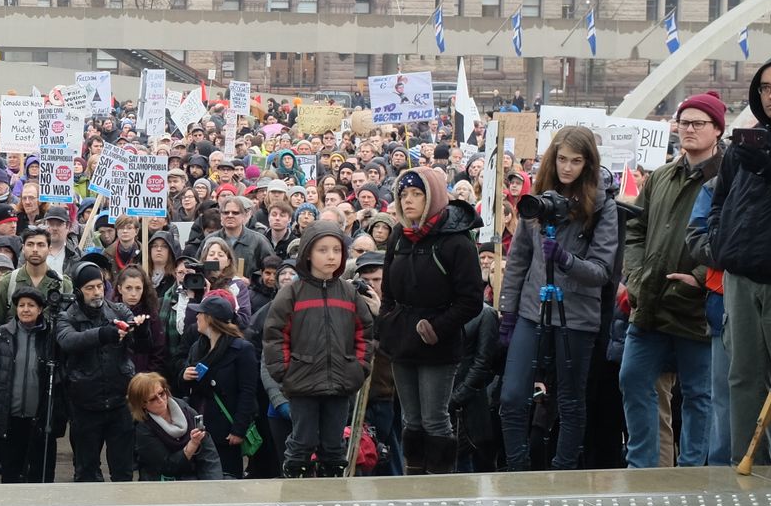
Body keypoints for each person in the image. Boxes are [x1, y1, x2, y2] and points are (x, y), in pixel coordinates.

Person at [698, 54, 771, 466]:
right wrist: (719, 241)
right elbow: (719, 200)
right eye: (765, 87)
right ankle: (744, 472)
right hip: (740, 280)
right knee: (741, 379)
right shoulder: (749, 140)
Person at [497, 126, 618, 471]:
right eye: (562, 159)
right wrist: (508, 311)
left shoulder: (602, 206)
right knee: (512, 395)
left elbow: (601, 271)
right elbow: (519, 257)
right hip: (531, 310)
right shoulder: (538, 198)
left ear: (588, 163)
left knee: (570, 399)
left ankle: (563, 472)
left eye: (576, 161)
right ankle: (517, 470)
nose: (567, 168)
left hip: (576, 313)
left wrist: (565, 260)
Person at [621, 92, 726, 467]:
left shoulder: (729, 178)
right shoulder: (662, 176)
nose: (689, 129)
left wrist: (699, 278)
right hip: (649, 300)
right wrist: (634, 274)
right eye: (684, 122)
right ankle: (643, 468)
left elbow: (731, 236)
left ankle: (692, 473)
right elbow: (635, 228)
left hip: (696, 308)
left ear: (717, 130)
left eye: (699, 123)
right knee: (633, 379)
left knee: (699, 395)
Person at [377, 168, 484, 475]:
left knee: (435, 418)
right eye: (403, 194)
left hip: (438, 342)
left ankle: (439, 486)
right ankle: (414, 483)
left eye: (417, 194)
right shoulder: (399, 235)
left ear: (432, 196)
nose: (408, 200)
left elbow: (471, 300)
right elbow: (387, 291)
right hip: (402, 340)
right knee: (411, 419)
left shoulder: (456, 242)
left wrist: (437, 328)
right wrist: (387, 323)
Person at [264, 224, 372, 478]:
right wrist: (286, 372)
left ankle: (333, 497)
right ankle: (296, 494)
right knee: (302, 442)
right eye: (323, 250)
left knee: (334, 446)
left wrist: (358, 368)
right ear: (308, 254)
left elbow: (365, 333)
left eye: (336, 250)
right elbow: (275, 335)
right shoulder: (292, 293)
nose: (331, 256)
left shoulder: (348, 293)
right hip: (303, 384)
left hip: (340, 383)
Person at [56, 261, 140, 482]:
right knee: (86, 471)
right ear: (78, 291)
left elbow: (140, 341)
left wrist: (140, 329)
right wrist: (103, 334)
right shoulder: (67, 316)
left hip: (119, 402)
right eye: (89, 288)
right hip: (85, 405)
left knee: (123, 470)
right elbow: (68, 341)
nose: (96, 292)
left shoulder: (118, 309)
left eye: (99, 286)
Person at [0, 283, 61, 483]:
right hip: (10, 417)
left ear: (40, 309)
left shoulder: (50, 336)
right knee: (10, 473)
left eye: (31, 305)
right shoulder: (2, 334)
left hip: (40, 419)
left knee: (40, 475)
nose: (26, 309)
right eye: (22, 305)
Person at [181, 294, 263, 478]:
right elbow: (186, 384)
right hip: (200, 425)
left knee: (227, 477)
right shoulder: (198, 346)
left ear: (210, 319)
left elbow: (248, 392)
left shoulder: (242, 349)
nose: (196, 317)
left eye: (200, 314)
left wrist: (238, 429)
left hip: (226, 429)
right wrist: (184, 376)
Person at [130, 371, 222, 481]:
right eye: (153, 399)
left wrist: (213, 483)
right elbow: (167, 467)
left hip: (195, 478)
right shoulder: (143, 429)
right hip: (162, 484)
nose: (161, 400)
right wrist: (192, 445)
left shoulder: (187, 411)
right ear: (142, 404)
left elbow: (209, 453)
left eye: (162, 393)